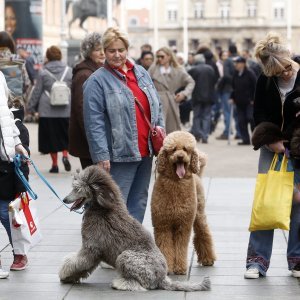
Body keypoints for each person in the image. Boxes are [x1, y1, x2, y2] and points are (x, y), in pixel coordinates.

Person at [83, 27, 164, 223]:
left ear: (127, 49)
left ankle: (133, 243)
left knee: (139, 201)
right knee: (116, 204)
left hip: (146, 150)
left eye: (121, 50)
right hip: (118, 154)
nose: (117, 55)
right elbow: (94, 122)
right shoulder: (97, 81)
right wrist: (101, 155)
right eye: (111, 50)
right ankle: (114, 246)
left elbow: (157, 105)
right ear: (104, 52)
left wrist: (161, 134)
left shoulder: (141, 73)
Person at [244, 32, 300, 279]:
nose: (286, 74)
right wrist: (270, 141)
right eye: (279, 73)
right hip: (273, 147)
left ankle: (297, 260)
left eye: (287, 68)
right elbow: (259, 116)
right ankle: (257, 262)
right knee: (266, 202)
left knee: (298, 203)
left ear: (290, 58)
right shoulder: (264, 81)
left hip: (299, 147)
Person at [0, 71, 29, 277]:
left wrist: (17, 143)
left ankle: (19, 252)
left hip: (3, 157)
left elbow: (5, 115)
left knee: (5, 211)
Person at [27, 46, 72, 173]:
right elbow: (73, 91)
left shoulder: (43, 72)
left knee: (51, 138)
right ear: (60, 56)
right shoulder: (69, 71)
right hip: (65, 110)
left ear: (48, 56)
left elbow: (37, 91)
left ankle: (55, 165)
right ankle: (65, 155)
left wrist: (30, 107)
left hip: (47, 110)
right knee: (65, 136)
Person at [69, 32, 105, 169]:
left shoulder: (97, 70)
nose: (102, 53)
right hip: (89, 142)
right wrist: (94, 138)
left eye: (103, 49)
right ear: (89, 52)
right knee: (95, 182)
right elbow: (82, 109)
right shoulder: (85, 74)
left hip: (94, 140)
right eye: (97, 50)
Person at [148, 46, 195, 134]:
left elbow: (191, 82)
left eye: (162, 56)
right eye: (158, 56)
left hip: (172, 102)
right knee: (157, 131)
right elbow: (145, 84)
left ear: (169, 56)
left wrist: (183, 94)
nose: (159, 59)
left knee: (172, 131)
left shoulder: (178, 70)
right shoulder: (153, 69)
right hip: (156, 102)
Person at [188, 54, 217, 143]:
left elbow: (189, 82)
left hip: (197, 96)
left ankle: (197, 134)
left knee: (196, 116)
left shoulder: (193, 70)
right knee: (206, 116)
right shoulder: (210, 69)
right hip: (209, 96)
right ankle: (205, 135)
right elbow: (214, 81)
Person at [231, 56, 257, 145]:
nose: (236, 65)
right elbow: (233, 87)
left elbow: (256, 87)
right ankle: (245, 139)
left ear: (243, 64)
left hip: (249, 101)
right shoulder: (235, 74)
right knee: (241, 121)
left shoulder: (250, 73)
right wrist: (232, 97)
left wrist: (254, 99)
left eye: (237, 63)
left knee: (251, 119)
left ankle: (255, 138)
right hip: (239, 102)